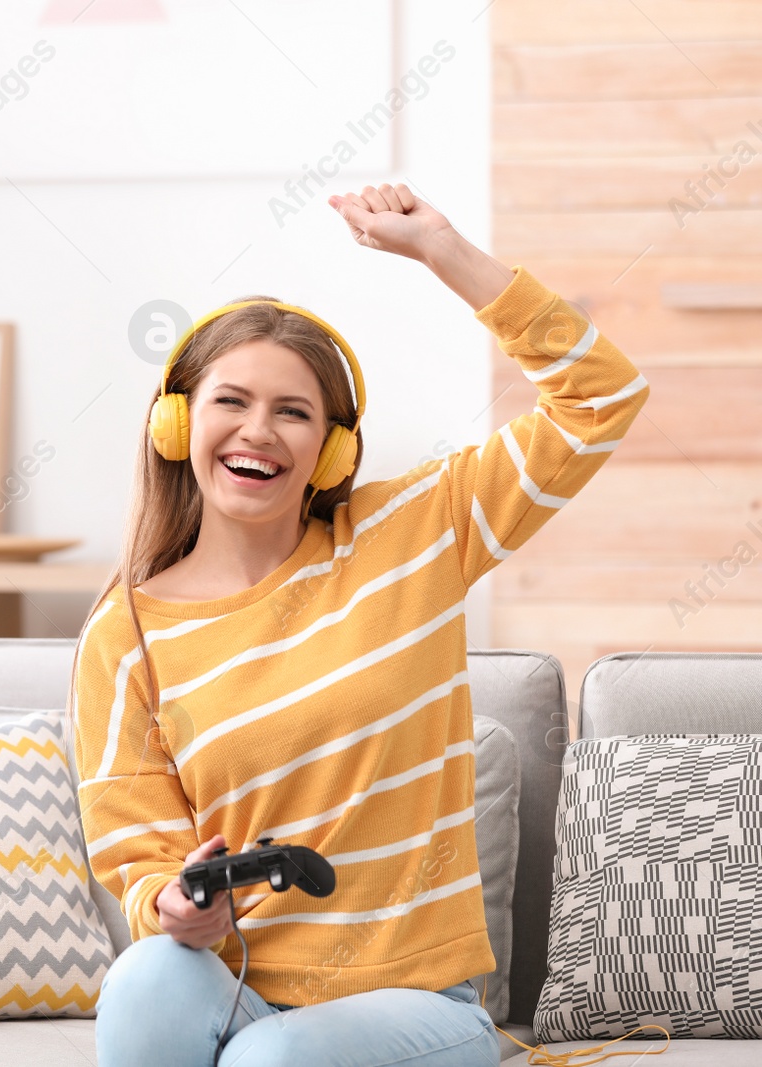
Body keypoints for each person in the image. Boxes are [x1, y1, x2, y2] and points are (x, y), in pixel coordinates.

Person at [69, 183, 649, 1066]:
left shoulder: (412, 532)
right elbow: (137, 845)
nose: (256, 431)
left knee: (273, 1060)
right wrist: (173, 906)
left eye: (293, 411)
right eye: (231, 400)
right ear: (176, 419)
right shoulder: (128, 630)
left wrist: (445, 251)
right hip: (241, 984)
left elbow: (602, 398)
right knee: (144, 978)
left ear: (332, 448)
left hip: (416, 1007)